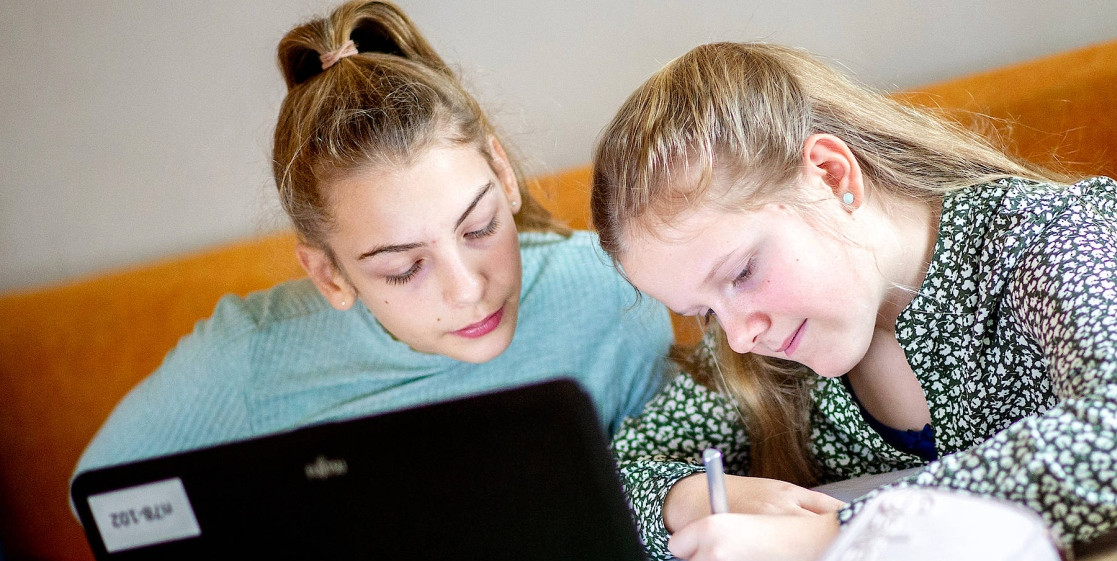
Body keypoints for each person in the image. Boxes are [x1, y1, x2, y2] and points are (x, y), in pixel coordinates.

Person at [589, 41, 1117, 561]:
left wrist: (838, 541)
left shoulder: (1046, 235)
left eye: (741, 272)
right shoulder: (764, 351)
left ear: (831, 175)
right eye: (705, 312)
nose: (737, 335)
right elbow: (601, 483)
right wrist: (688, 498)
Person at [72, 0, 671, 481]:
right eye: (404, 269)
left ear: (503, 174)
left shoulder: (613, 296)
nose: (469, 290)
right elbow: (105, 501)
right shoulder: (249, 357)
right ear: (329, 275)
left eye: (479, 228)